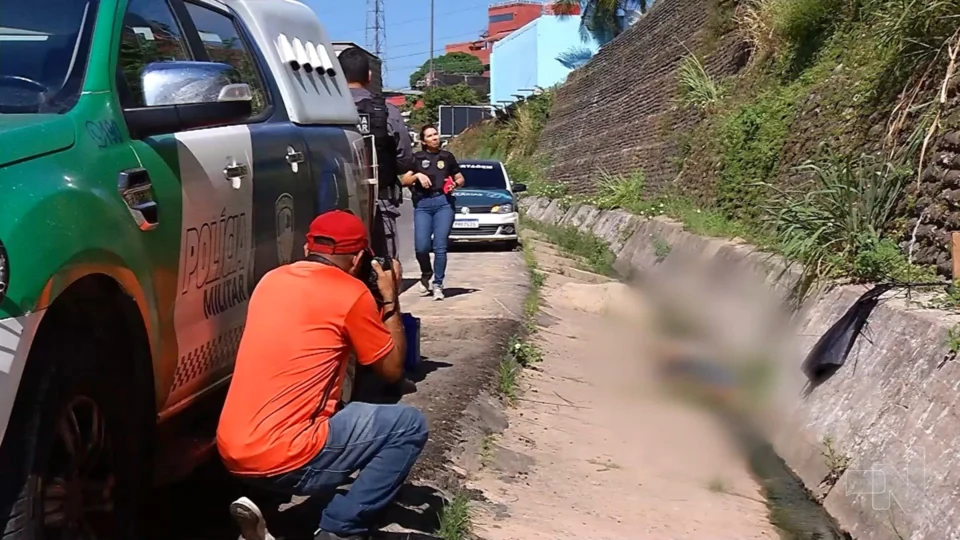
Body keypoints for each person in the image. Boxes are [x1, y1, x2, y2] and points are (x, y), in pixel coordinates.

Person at [216, 210, 429, 540]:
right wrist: (389, 299)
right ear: (358, 258)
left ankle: (270, 521)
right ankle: (340, 530)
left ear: (306, 248)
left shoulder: (270, 280)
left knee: (335, 409)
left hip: (232, 449)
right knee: (408, 425)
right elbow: (391, 370)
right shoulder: (351, 294)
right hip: (284, 454)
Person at [338, 46, 413, 259]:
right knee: (385, 267)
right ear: (369, 76)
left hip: (336, 205)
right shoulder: (388, 111)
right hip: (380, 201)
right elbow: (405, 158)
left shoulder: (322, 110)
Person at [400, 125, 465, 301]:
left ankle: (438, 284)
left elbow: (460, 177)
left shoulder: (447, 157)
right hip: (423, 204)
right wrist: (417, 176)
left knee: (440, 246)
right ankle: (426, 272)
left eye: (435, 134)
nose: (435, 137)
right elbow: (404, 180)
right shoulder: (417, 158)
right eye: (430, 136)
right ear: (423, 141)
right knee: (421, 247)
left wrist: (455, 184)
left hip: (443, 203)